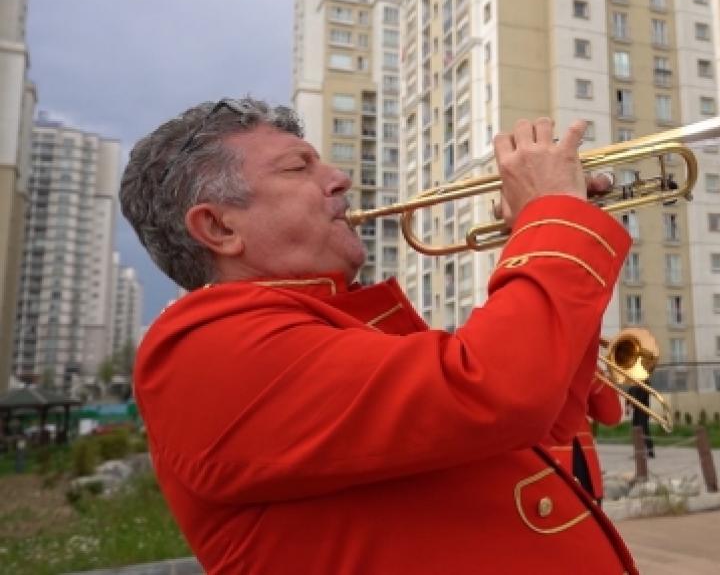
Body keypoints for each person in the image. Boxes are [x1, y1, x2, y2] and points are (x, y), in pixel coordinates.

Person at [119, 97, 638, 574]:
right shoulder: (203, 350)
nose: (340, 178)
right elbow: (495, 390)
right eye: (299, 167)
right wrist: (552, 220)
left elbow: (542, 431)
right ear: (219, 228)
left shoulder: (330, 326)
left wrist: (553, 232)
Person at [544, 376, 623, 504]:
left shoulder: (584, 367)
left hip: (586, 471)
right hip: (547, 468)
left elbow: (612, 415)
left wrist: (591, 371)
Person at [627, 384, 655, 458]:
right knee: (635, 431)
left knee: (645, 430)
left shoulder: (645, 384)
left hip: (643, 411)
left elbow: (642, 398)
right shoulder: (632, 386)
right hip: (636, 412)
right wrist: (627, 406)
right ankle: (638, 452)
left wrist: (632, 404)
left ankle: (650, 452)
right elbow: (628, 396)